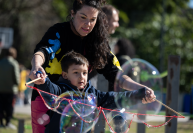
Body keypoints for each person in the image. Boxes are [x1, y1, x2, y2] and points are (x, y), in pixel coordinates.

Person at [28, 0, 155, 132]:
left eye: (93, 19)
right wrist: (37, 66)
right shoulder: (59, 32)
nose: (88, 24)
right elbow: (43, 50)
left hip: (80, 100)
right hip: (47, 93)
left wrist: (141, 89)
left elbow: (115, 74)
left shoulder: (97, 41)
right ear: (72, 13)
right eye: (83, 17)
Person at [33, 51, 156, 133]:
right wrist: (43, 80)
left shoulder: (92, 94)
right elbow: (49, 88)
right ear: (65, 75)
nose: (81, 77)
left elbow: (114, 98)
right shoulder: (60, 90)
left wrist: (139, 95)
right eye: (76, 73)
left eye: (84, 73)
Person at [0, 47, 20, 129]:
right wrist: (17, 84)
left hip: (1, 89)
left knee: (1, 107)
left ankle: (1, 123)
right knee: (9, 107)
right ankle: (8, 122)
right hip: (11, 90)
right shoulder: (14, 63)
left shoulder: (1, 62)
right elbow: (16, 78)